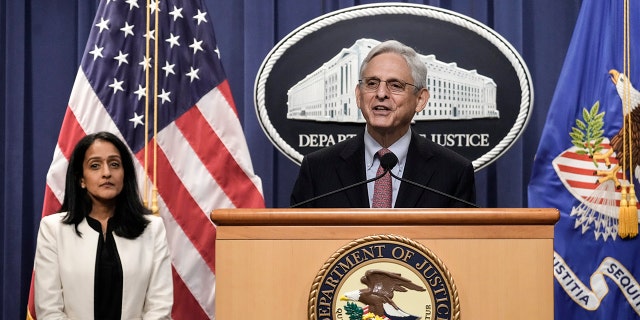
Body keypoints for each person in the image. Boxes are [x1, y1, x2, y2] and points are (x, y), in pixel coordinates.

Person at [290, 40, 476, 208]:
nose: (381, 93)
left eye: (395, 85)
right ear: (358, 95)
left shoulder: (454, 172)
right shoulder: (318, 169)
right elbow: (297, 241)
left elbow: (461, 243)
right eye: (371, 83)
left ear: (420, 99)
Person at [34, 131, 173, 319]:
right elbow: (49, 310)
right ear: (81, 179)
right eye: (95, 166)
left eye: (114, 164)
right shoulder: (53, 230)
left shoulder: (152, 229)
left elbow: (159, 307)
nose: (107, 173)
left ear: (125, 174)